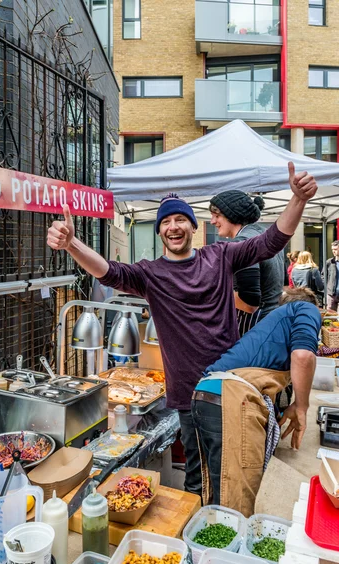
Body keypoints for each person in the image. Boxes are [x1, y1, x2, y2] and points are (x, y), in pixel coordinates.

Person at [47, 162, 317, 497]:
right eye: (166, 222)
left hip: (228, 388)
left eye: (180, 220)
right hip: (187, 395)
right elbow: (109, 272)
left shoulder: (220, 256)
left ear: (192, 226)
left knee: (233, 474)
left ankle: (224, 533)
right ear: (160, 231)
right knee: (194, 475)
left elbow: (270, 242)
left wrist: (298, 201)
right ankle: (194, 537)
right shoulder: (150, 274)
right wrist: (73, 245)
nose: (173, 227)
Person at [192, 286, 320, 516]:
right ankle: (229, 550)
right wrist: (302, 407)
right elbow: (303, 356)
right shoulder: (307, 308)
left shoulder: (274, 324)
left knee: (221, 491)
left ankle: (213, 549)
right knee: (238, 504)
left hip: (209, 395)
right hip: (231, 397)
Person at [209, 193, 284, 336]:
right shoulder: (265, 235)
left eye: (216, 216)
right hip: (272, 322)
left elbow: (249, 303)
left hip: (254, 327)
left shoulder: (242, 242)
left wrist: (211, 294)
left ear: (232, 215)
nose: (212, 221)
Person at [324, 240, 339, 311]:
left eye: (335, 249)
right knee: (331, 315)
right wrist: (327, 288)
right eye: (332, 249)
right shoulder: (329, 262)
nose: (333, 251)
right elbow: (323, 276)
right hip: (331, 293)